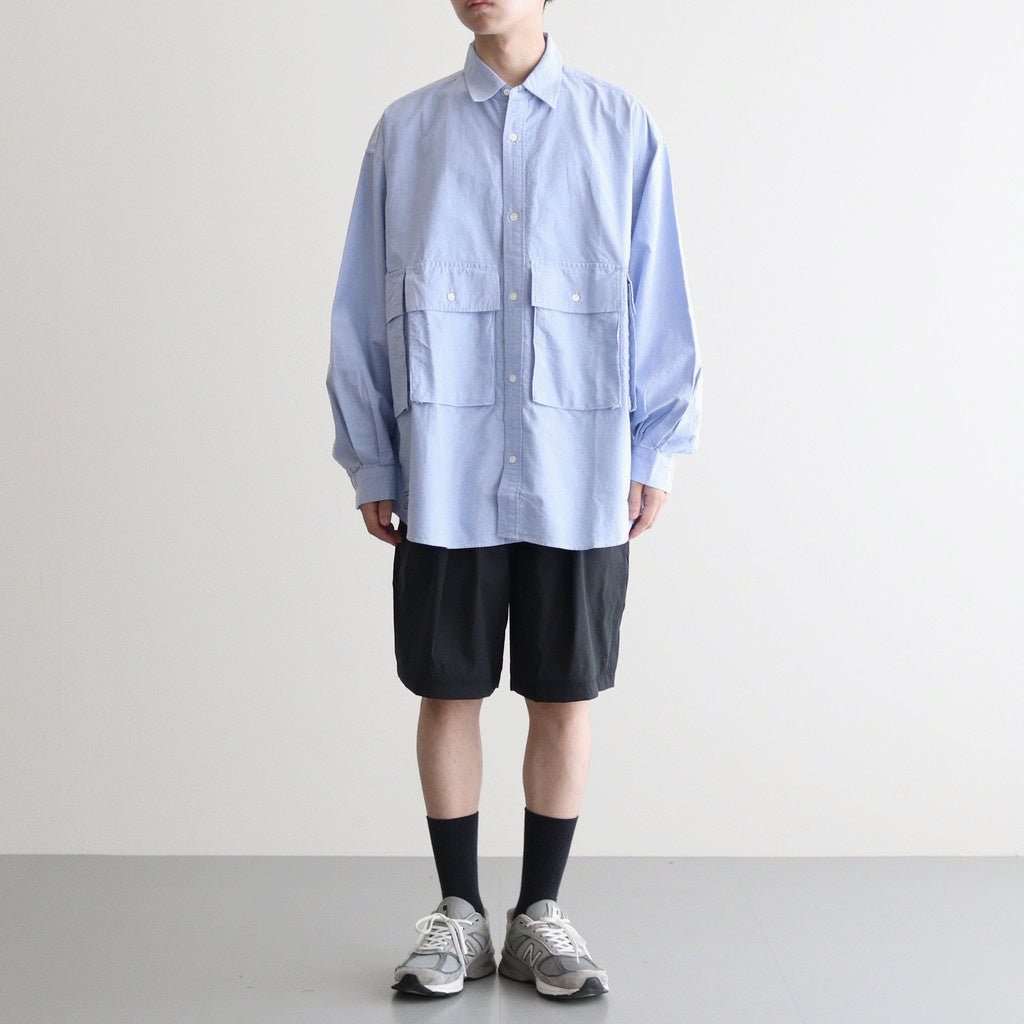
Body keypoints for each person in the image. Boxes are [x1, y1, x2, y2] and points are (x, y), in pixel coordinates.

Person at [325, 0, 702, 1002]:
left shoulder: (620, 127)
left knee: (562, 692)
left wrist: (654, 447)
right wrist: (373, 456)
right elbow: (361, 302)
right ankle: (458, 912)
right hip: (445, 466)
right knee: (446, 686)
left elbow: (661, 292)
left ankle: (540, 914)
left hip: (579, 464)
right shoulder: (407, 133)